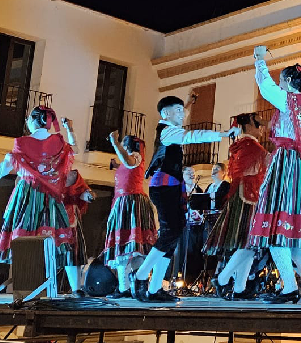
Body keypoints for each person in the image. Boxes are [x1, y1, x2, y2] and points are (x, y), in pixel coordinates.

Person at [246, 45, 301, 303]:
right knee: (286, 227)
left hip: (286, 164)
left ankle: (289, 288)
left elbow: (265, 87)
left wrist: (259, 60)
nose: (279, 84)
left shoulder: (289, 100)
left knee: (275, 229)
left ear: (286, 82)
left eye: (281, 80)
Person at [134, 96, 236, 302]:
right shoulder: (166, 132)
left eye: (183, 111)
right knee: (170, 232)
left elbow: (184, 119)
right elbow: (192, 136)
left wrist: (188, 105)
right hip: (164, 187)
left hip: (171, 187)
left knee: (174, 234)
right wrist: (223, 134)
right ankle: (140, 276)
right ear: (166, 114)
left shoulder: (170, 126)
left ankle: (155, 289)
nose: (182, 114)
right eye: (178, 111)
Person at [0, 107, 84, 292]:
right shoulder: (59, 143)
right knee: (60, 238)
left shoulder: (22, 143)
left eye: (29, 118)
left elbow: (6, 165)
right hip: (53, 197)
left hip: (28, 194)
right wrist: (70, 130)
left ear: (34, 121)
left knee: (25, 238)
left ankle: (27, 288)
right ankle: (75, 289)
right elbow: (74, 150)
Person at [210, 114, 270, 300]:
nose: (261, 129)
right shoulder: (252, 146)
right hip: (249, 196)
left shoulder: (239, 145)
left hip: (241, 196)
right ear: (249, 126)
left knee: (247, 245)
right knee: (250, 243)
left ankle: (240, 287)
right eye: (258, 124)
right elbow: (265, 166)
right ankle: (222, 279)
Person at [103, 132, 156, 298]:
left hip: (131, 204)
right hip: (124, 203)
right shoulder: (127, 160)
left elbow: (129, 162)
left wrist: (115, 143)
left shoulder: (135, 156)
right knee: (130, 248)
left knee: (132, 247)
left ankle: (129, 287)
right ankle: (129, 286)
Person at [62, 169, 95, 295]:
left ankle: (76, 288)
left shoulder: (73, 175)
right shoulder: (46, 172)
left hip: (70, 219)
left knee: (73, 254)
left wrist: (88, 195)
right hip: (49, 216)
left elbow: (84, 194)